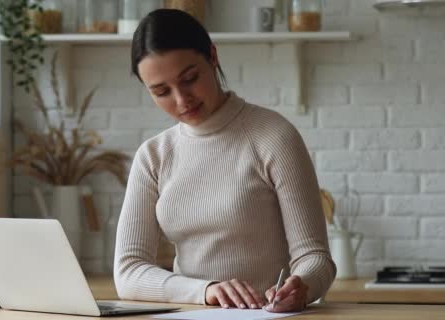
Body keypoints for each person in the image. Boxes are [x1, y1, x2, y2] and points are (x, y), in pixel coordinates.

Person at [113, 9, 335, 313]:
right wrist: (206, 291)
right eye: (161, 91)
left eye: (190, 79)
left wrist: (303, 286)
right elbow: (128, 272)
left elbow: (316, 258)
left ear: (213, 57)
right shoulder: (153, 156)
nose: (181, 100)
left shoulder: (274, 137)